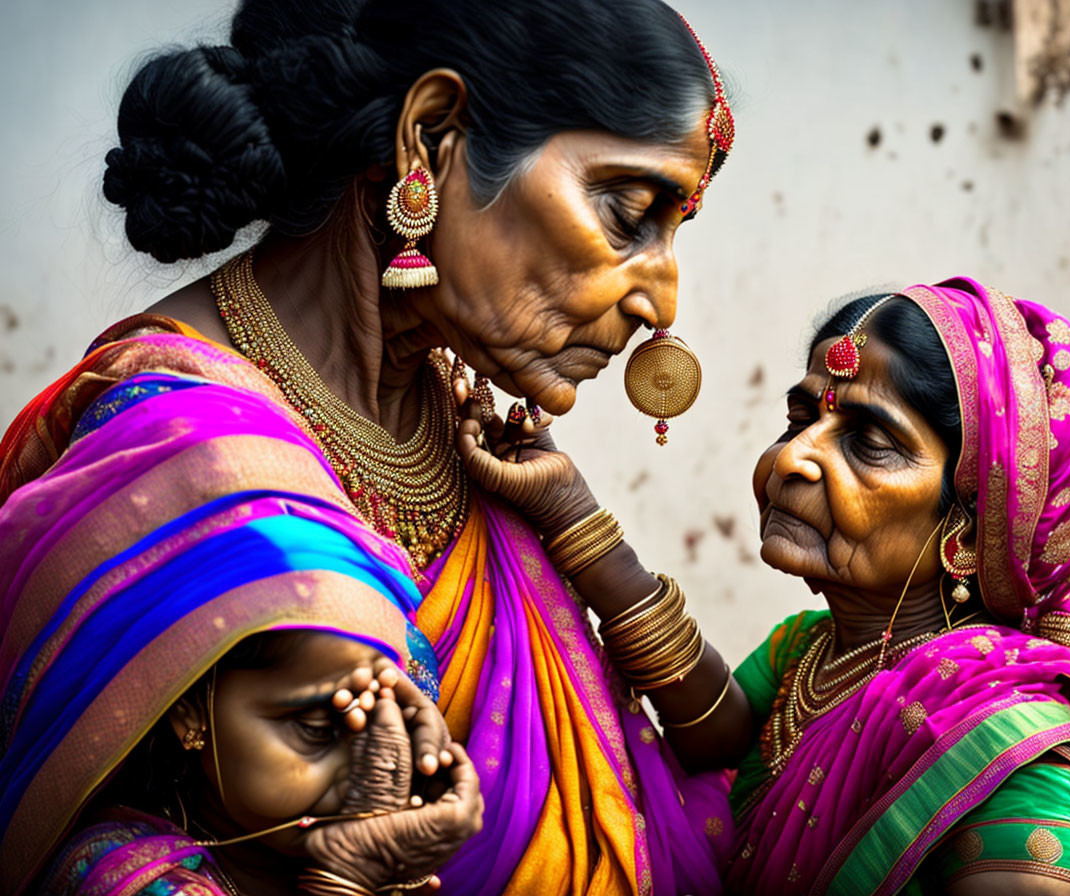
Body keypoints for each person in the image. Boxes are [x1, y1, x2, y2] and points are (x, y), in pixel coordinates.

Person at [0, 0, 738, 892]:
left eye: (674, 232)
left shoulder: (468, 431)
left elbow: (712, 745)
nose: (660, 302)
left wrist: (582, 531)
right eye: (628, 214)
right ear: (429, 140)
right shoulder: (174, 445)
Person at [461, 277, 1070, 894]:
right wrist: (569, 512)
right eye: (800, 419)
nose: (793, 457)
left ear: (970, 535)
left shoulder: (1013, 752)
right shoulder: (809, 652)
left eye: (869, 441)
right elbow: (714, 737)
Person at [0, 369, 483, 895]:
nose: (368, 776)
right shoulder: (118, 875)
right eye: (317, 731)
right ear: (186, 703)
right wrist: (351, 876)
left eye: (383, 732)